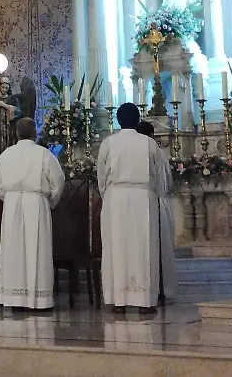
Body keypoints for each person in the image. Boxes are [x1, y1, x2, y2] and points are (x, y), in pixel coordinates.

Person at [0, 117, 65, 310]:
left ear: (16, 133)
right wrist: (48, 203)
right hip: (36, 203)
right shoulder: (44, 154)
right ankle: (38, 298)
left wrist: (9, 198)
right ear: (35, 133)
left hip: (12, 203)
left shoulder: (6, 154)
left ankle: (13, 297)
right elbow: (58, 183)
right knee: (36, 248)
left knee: (13, 248)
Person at [96, 107, 162, 311]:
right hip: (143, 197)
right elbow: (159, 174)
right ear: (138, 120)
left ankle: (118, 299)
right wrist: (154, 194)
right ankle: (145, 300)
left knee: (116, 246)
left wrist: (107, 194)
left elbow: (101, 174)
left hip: (115, 198)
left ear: (117, 120)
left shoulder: (108, 143)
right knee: (144, 246)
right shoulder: (149, 143)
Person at [136, 121, 177, 303]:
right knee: (160, 247)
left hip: (145, 202)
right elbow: (165, 180)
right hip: (158, 201)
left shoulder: (134, 152)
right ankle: (161, 288)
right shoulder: (158, 152)